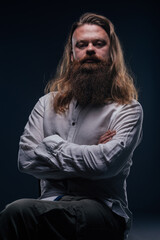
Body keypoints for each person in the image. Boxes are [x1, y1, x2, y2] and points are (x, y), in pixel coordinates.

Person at [0, 12, 143, 240]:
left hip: (102, 210)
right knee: (16, 212)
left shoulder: (128, 109)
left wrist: (51, 146)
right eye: (82, 44)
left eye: (99, 44)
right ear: (72, 53)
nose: (90, 50)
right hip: (49, 205)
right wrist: (91, 157)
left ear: (112, 53)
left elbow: (105, 165)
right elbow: (25, 160)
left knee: (21, 214)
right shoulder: (46, 104)